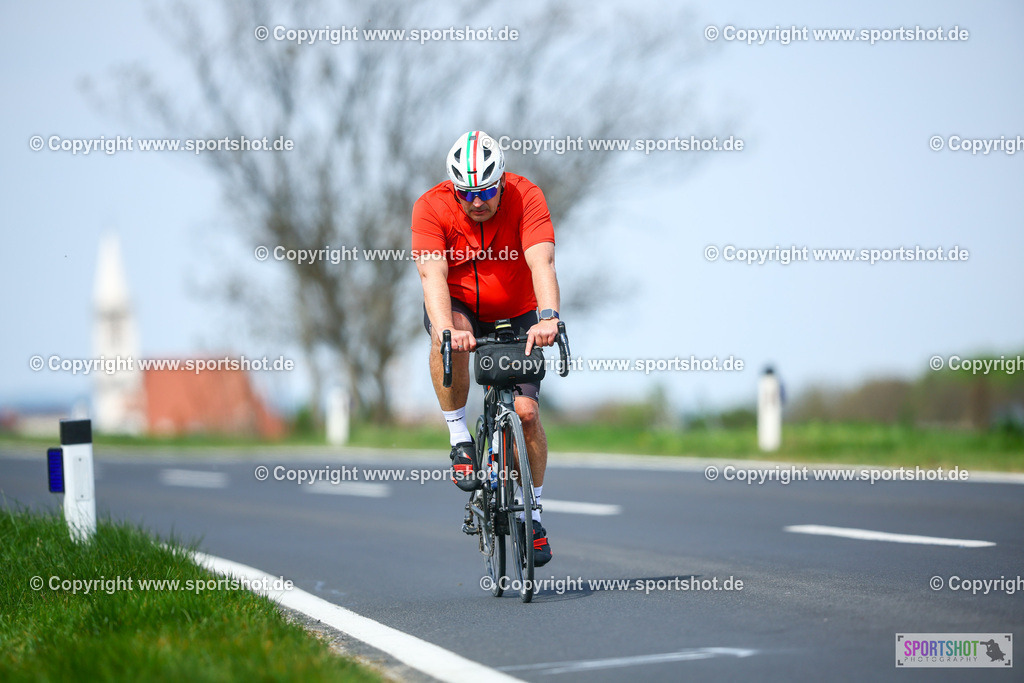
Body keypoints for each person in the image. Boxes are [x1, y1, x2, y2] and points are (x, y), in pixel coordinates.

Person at [411, 130, 561, 567]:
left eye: (487, 191)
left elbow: (542, 261)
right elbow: (431, 276)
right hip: (459, 306)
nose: (478, 202)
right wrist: (444, 330)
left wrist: (549, 316)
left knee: (528, 415)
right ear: (454, 188)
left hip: (519, 311)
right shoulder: (431, 206)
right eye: (467, 193)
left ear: (501, 180)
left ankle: (533, 514)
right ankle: (460, 437)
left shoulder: (526, 194)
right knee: (450, 335)